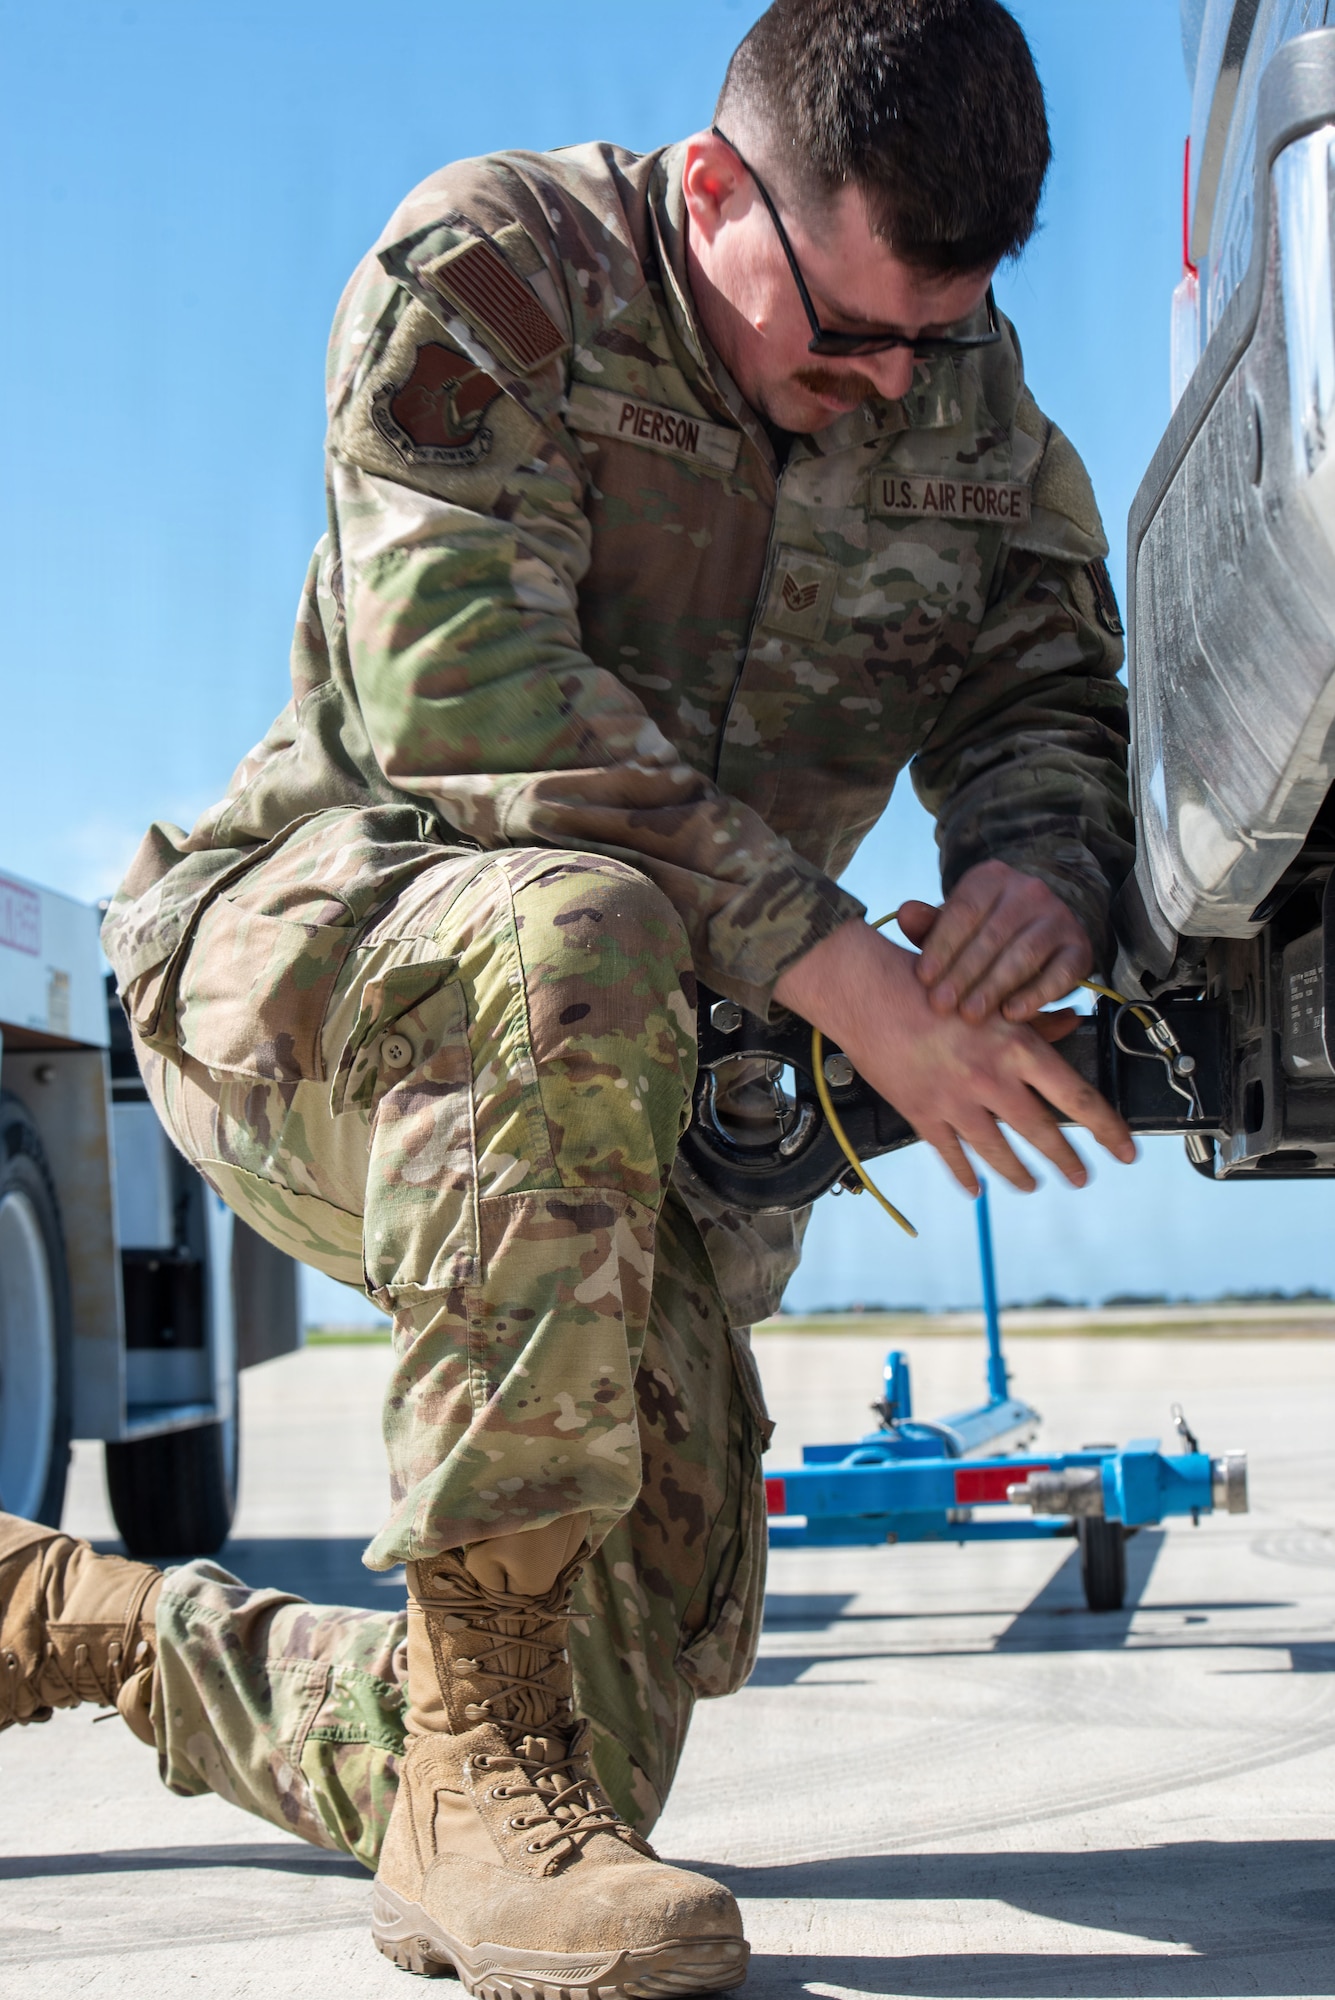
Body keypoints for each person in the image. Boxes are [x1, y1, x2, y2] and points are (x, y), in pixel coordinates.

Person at [33, 0, 1138, 1991]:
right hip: (325, 986)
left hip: (640, 1130)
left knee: (593, 1759)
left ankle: (89, 1628)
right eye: (848, 337)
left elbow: (1043, 677)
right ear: (715, 192)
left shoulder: (951, 384)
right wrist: (832, 972)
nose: (890, 386)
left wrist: (1030, 874)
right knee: (578, 923)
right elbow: (468, 692)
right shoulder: (491, 271)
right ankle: (476, 1752)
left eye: (929, 339)